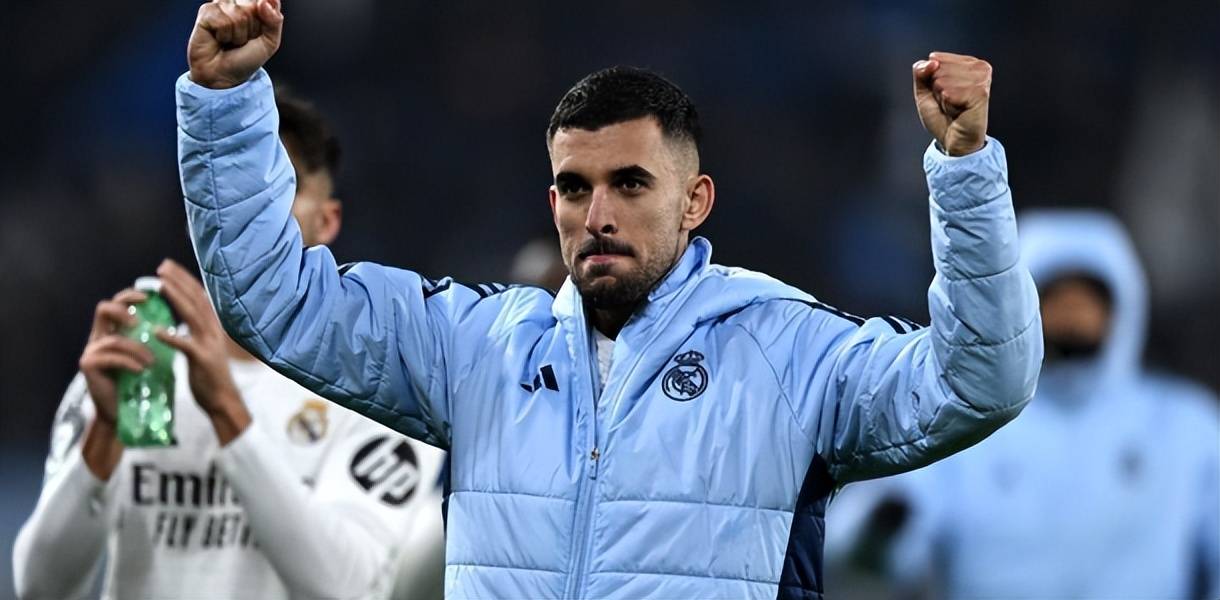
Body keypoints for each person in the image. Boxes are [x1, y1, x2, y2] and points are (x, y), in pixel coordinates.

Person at [175, 1, 1042, 597]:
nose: (598, 215)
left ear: (695, 201)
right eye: (574, 187)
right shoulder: (477, 348)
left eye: (630, 183)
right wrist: (225, 103)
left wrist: (964, 170)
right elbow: (272, 301)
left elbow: (977, 382)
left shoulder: (789, 353)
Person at [12, 91, 446, 600]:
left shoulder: (381, 396)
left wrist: (228, 415)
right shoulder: (136, 367)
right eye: (238, 187)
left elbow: (346, 589)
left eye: (282, 184)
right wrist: (103, 434)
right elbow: (39, 588)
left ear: (326, 221)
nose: (254, 207)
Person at [838, 210, 1219, 599]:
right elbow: (877, 536)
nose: (1072, 319)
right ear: (1021, 308)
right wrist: (880, 530)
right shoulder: (968, 419)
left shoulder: (1184, 426)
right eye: (1058, 303)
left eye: (1086, 304)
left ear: (1122, 309)